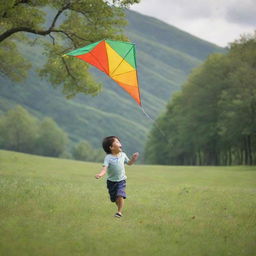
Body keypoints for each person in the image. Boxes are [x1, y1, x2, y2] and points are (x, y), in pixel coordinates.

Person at [95, 136, 139, 218]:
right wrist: (100, 174)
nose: (120, 144)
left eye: (119, 142)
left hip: (121, 180)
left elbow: (129, 163)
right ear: (111, 147)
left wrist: (133, 159)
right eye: (117, 142)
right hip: (111, 182)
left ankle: (119, 212)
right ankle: (119, 207)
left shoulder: (123, 155)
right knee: (115, 199)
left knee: (120, 195)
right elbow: (104, 169)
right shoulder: (108, 158)